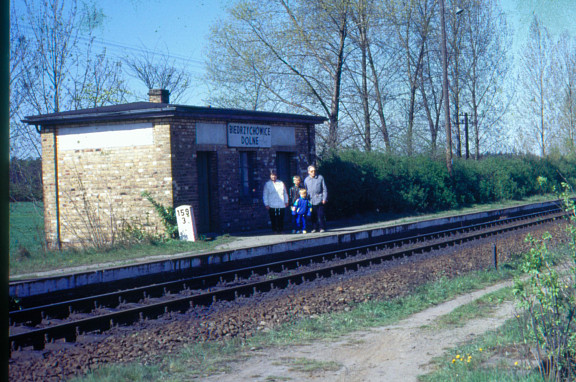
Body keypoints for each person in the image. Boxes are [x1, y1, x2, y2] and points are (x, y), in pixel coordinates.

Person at [304, 165, 327, 232]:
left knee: (321, 214)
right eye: (311, 171)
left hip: (319, 199)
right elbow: (305, 190)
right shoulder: (306, 180)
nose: (313, 172)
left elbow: (324, 189)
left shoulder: (320, 178)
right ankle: (314, 228)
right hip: (311, 200)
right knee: (313, 215)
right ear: (308, 172)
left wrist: (324, 198)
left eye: (314, 171)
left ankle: (322, 227)